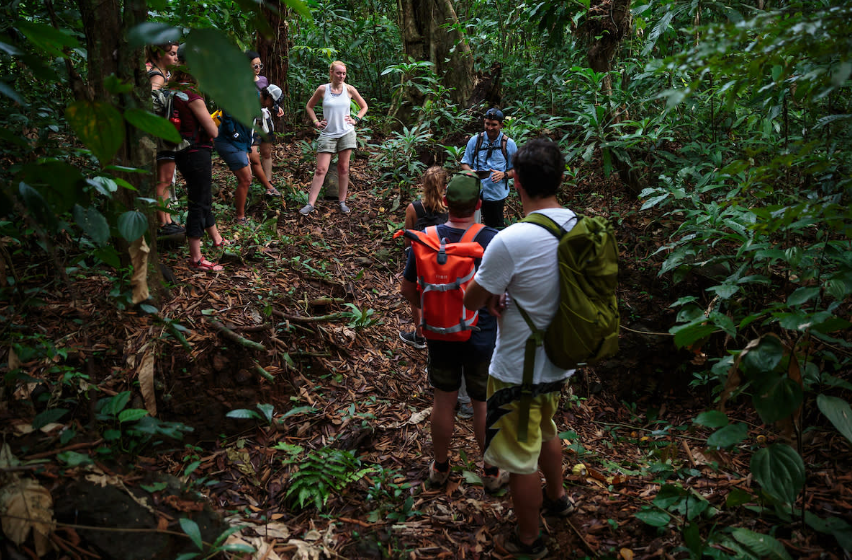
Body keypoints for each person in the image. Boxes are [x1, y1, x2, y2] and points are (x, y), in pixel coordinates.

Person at [464, 139, 576, 559]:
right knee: (545, 427)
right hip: (561, 358)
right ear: (560, 178)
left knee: (518, 456)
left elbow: (473, 299)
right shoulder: (579, 227)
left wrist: (495, 291)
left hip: (519, 367)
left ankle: (529, 539)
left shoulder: (512, 239)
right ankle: (559, 498)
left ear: (518, 183)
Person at [400, 171, 508, 494]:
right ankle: (490, 471)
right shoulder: (491, 239)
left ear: (445, 202)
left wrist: (424, 314)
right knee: (480, 403)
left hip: (438, 332)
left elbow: (407, 289)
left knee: (443, 400)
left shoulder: (427, 237)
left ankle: (441, 468)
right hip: (479, 335)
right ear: (478, 204)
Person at [170, 46, 227, 271]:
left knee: (201, 197)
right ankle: (196, 258)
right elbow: (212, 132)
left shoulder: (173, 90)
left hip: (182, 151)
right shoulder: (191, 96)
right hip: (197, 151)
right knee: (198, 202)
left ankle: (215, 239)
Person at [300, 60, 368, 215]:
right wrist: (316, 121)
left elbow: (364, 106)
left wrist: (356, 119)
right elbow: (309, 106)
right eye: (338, 73)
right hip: (328, 134)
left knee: (343, 168)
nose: (341, 76)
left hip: (346, 133)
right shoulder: (323, 89)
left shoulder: (349, 89)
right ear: (331, 73)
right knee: (320, 169)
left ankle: (342, 201)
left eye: (343, 73)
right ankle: (310, 204)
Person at [214, 85, 284, 223]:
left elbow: (248, 129)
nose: (271, 107)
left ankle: (241, 215)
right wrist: (233, 132)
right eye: (272, 103)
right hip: (228, 141)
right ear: (268, 97)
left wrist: (246, 149)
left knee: (246, 178)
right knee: (246, 178)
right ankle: (240, 217)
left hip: (240, 142)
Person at [398, 166, 449, 350]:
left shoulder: (414, 208)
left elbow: (408, 235)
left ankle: (419, 335)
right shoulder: (450, 207)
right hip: (444, 261)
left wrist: (408, 255)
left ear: (423, 185)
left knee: (416, 295)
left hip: (420, 260)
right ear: (444, 186)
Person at [145, 42, 184, 236]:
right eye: (171, 54)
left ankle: (168, 219)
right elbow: (151, 99)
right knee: (163, 180)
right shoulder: (157, 75)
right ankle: (162, 222)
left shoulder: (164, 75)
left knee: (166, 179)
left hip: (164, 132)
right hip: (160, 133)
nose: (176, 57)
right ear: (159, 55)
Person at [460, 107, 518, 229]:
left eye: (494, 125)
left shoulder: (508, 144)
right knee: (471, 227)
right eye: (487, 124)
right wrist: (471, 172)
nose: (490, 128)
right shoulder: (475, 141)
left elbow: (517, 169)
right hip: (475, 192)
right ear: (484, 122)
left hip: (495, 194)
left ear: (501, 125)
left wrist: (504, 175)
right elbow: (464, 163)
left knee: (494, 228)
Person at [246, 50, 281, 185]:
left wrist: (276, 107)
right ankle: (249, 182)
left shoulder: (263, 80)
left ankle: (268, 181)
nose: (258, 69)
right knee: (252, 153)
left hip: (264, 118)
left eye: (260, 65)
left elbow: (268, 99)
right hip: (251, 120)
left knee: (266, 152)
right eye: (255, 66)